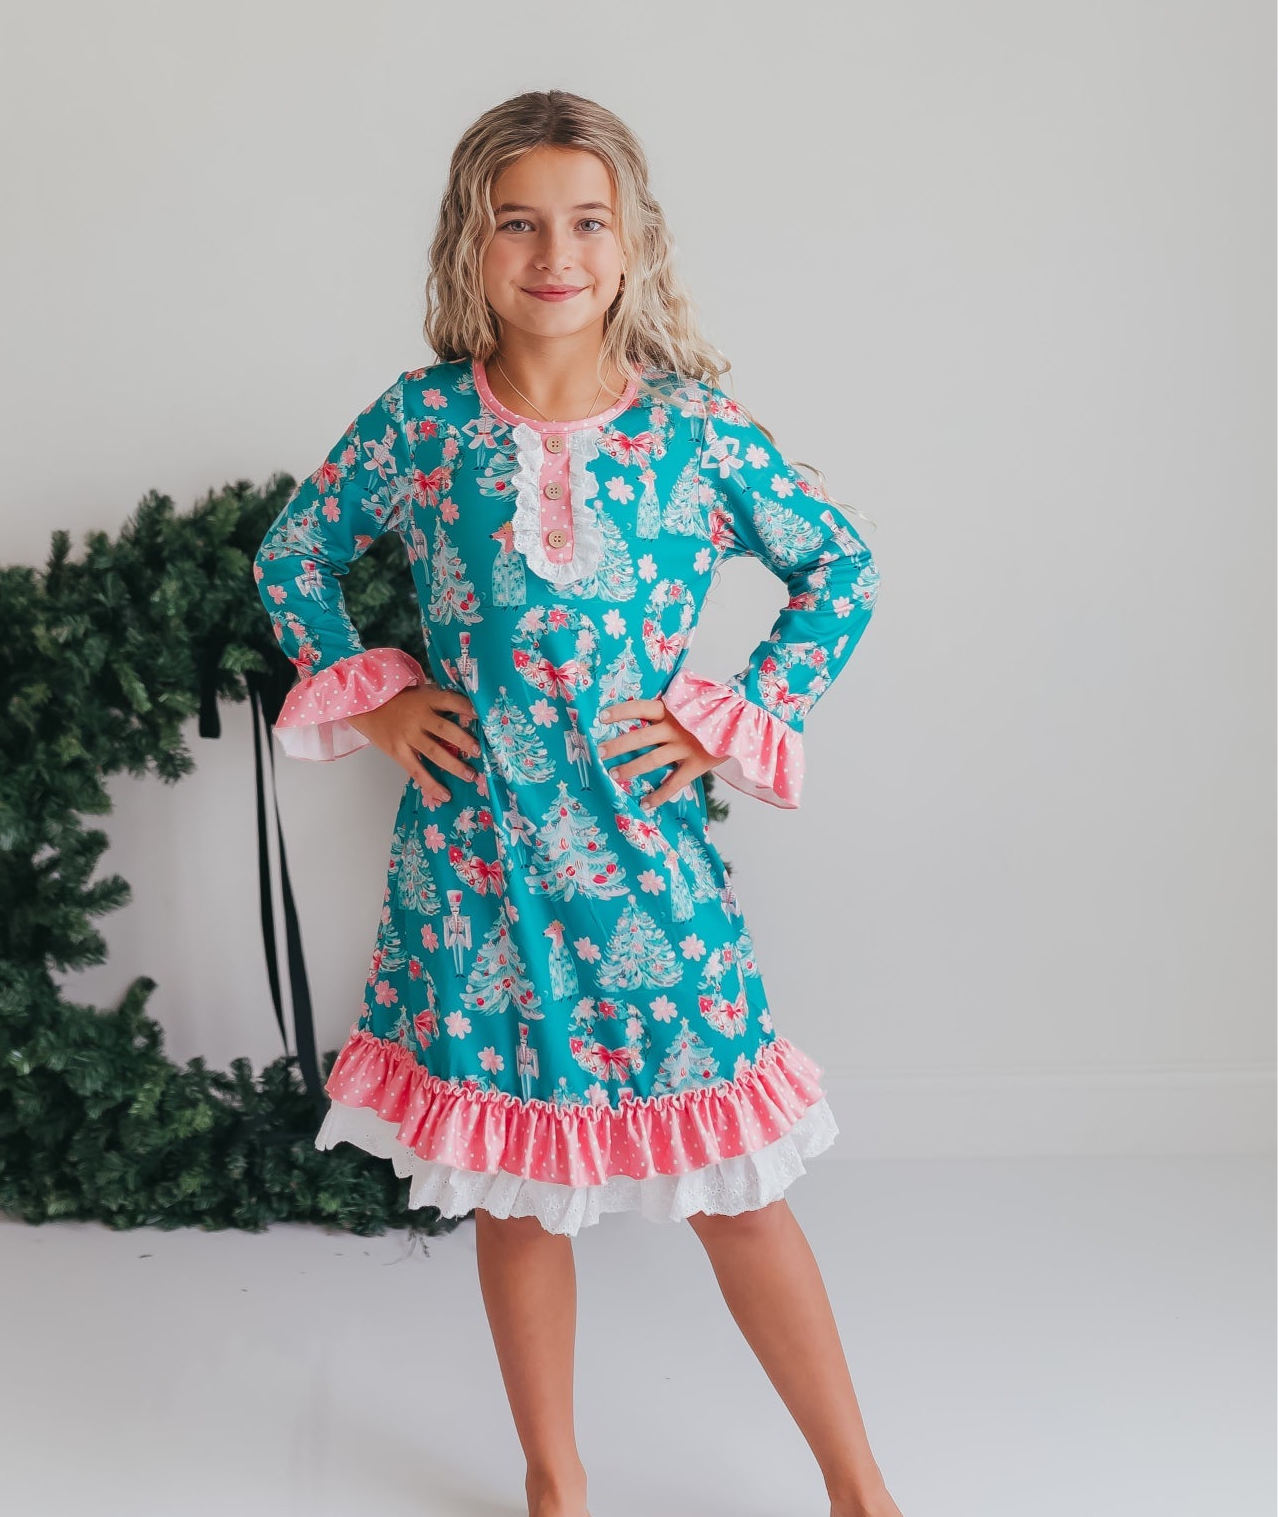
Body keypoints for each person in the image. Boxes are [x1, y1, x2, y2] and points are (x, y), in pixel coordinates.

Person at [252, 90, 899, 1517]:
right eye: (519, 222)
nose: (555, 253)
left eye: (587, 221)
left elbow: (838, 567)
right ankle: (554, 1482)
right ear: (469, 244)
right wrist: (380, 698)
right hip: (470, 866)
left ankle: (860, 1491)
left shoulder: (696, 433)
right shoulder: (422, 424)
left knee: (735, 1182)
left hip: (643, 860)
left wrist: (732, 716)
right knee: (511, 1179)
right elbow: (293, 555)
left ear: (633, 242)